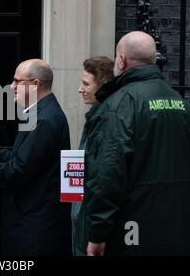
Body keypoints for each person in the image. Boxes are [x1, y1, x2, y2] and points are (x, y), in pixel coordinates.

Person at [76, 31, 190, 256]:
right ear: (153, 60)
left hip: (131, 234)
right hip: (176, 232)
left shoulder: (117, 106)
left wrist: (97, 234)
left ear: (122, 60)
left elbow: (106, 176)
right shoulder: (179, 103)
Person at [0, 59, 72, 256]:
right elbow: (24, 156)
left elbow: (19, 169)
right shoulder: (39, 113)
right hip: (30, 217)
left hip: (34, 224)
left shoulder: (44, 119)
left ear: (35, 84)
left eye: (17, 81)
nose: (11, 87)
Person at [71, 56, 114, 256]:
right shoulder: (95, 116)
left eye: (86, 84)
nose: (80, 89)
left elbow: (103, 177)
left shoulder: (105, 119)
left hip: (91, 216)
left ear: (102, 86)